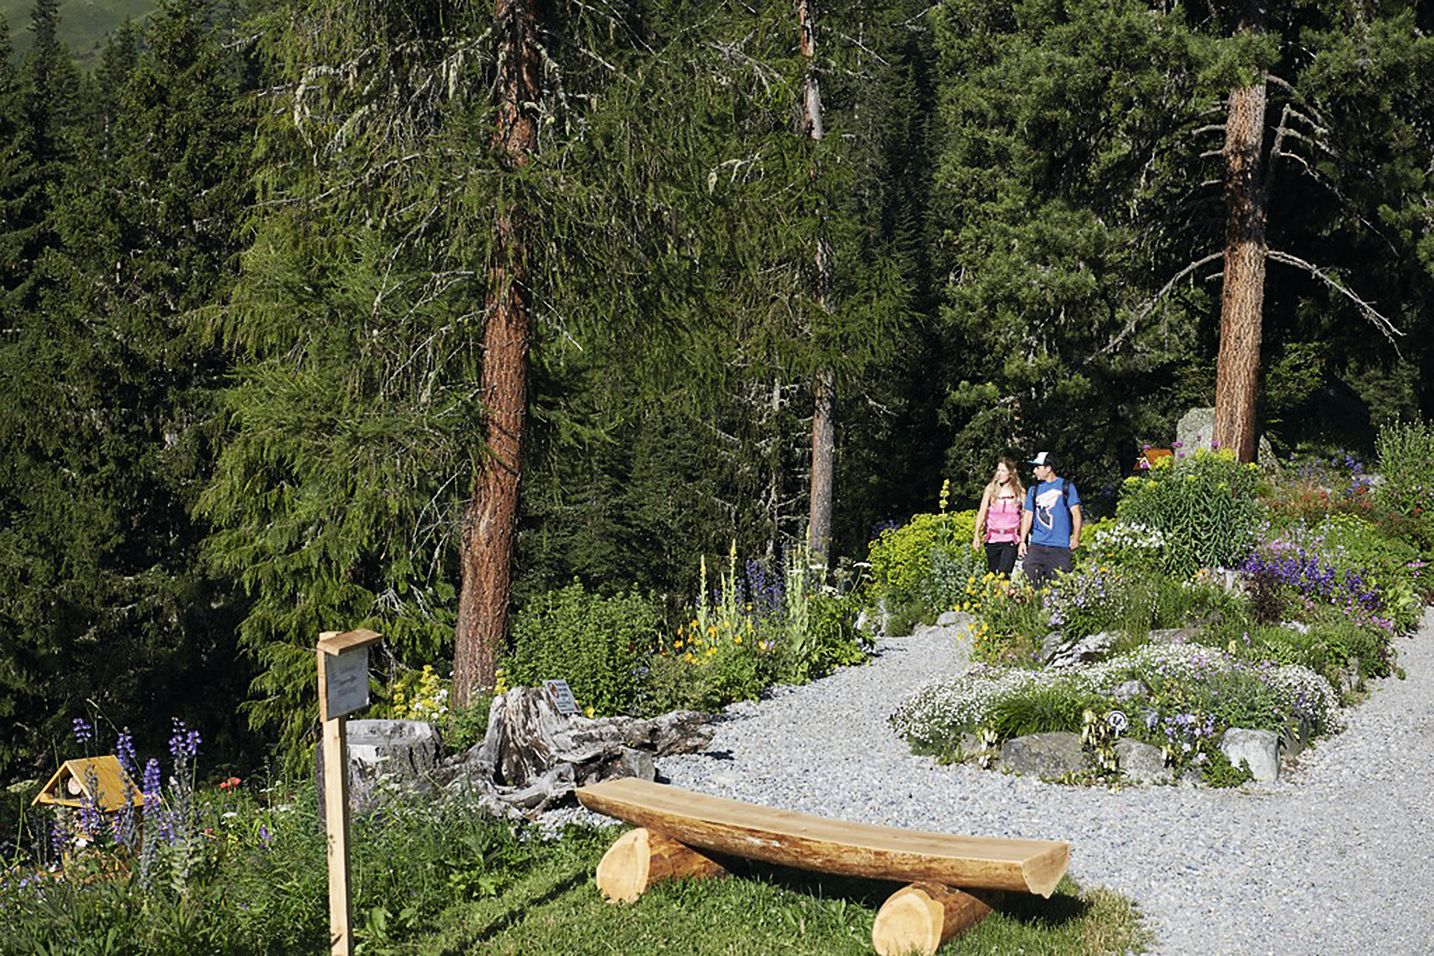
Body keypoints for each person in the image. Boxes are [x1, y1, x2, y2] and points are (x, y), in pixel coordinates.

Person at [1018, 451, 1082, 587]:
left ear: (1048, 468)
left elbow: (1076, 513)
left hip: (1060, 546)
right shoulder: (1033, 490)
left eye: (1037, 467)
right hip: (1037, 545)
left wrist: (1076, 537)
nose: (1034, 471)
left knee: (1059, 586)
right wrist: (1022, 541)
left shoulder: (1066, 487)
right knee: (1030, 578)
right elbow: (1028, 515)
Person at [972, 458, 1024, 575]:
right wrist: (976, 534)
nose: (999, 474)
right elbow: (982, 511)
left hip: (1011, 539)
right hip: (993, 539)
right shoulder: (991, 489)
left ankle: (1004, 591)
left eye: (1003, 471)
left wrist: (1023, 539)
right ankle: (997, 593)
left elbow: (1026, 515)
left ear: (1011, 474)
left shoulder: (1019, 492)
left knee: (1004, 573)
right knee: (993, 574)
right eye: (998, 470)